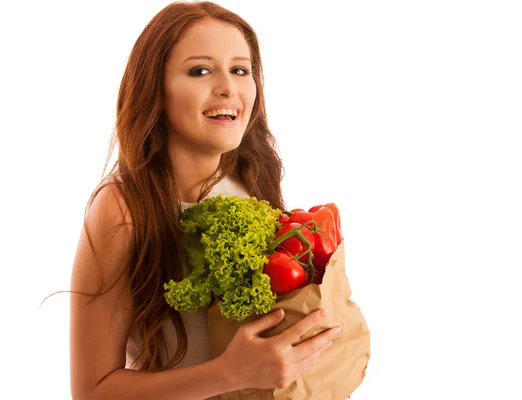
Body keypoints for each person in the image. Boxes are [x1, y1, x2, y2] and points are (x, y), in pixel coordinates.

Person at [69, 2, 341, 399]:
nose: (229, 88)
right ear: (155, 90)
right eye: (200, 70)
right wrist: (228, 374)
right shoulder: (123, 209)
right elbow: (90, 392)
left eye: (240, 70)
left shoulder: (251, 180)